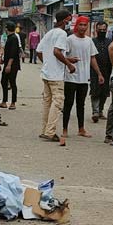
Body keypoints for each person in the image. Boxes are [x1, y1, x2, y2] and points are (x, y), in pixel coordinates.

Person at [61, 16, 103, 146]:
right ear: (76, 26)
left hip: (84, 78)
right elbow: (62, 55)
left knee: (81, 104)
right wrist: (69, 61)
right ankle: (65, 129)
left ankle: (81, 128)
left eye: (85, 25)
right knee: (68, 103)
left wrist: (99, 73)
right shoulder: (69, 40)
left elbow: (92, 58)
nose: (83, 27)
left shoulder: (89, 41)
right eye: (81, 25)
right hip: (71, 77)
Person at [36, 10, 77, 142]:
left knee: (47, 102)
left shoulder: (49, 33)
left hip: (47, 72)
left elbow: (39, 51)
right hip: (56, 75)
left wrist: (49, 63)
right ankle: (50, 131)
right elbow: (57, 52)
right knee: (58, 102)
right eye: (69, 20)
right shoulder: (62, 33)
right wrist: (69, 65)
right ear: (65, 20)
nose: (69, 23)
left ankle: (45, 130)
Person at [90, 22, 112, 122]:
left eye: (104, 30)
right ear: (96, 30)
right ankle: (95, 111)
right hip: (94, 70)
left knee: (104, 92)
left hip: (107, 70)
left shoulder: (110, 42)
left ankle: (100, 111)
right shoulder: (92, 41)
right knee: (95, 91)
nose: (102, 32)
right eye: (100, 30)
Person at [0, 21, 21, 109]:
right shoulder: (10, 37)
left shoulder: (13, 38)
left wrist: (9, 65)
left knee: (12, 82)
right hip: (8, 63)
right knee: (4, 81)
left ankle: (13, 103)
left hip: (12, 65)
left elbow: (13, 53)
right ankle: (4, 101)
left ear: (6, 29)